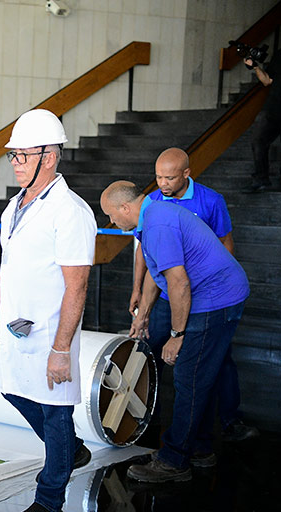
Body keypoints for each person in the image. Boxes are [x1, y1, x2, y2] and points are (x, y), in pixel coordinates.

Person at [0, 109, 96, 512]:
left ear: (49, 157)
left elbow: (77, 287)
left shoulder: (70, 211)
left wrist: (61, 349)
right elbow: (6, 267)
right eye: (12, 156)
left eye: (22, 156)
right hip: (15, 325)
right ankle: (71, 451)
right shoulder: (14, 207)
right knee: (13, 391)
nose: (14, 163)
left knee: (55, 414)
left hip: (50, 331)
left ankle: (48, 499)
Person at [101, 181, 250, 483]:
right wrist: (142, 317)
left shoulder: (157, 225)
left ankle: (173, 460)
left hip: (215, 300)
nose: (113, 223)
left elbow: (178, 282)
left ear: (125, 208)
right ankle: (200, 448)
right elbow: (157, 276)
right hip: (215, 295)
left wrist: (177, 335)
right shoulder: (153, 215)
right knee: (201, 375)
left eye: (112, 216)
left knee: (190, 377)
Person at [130, 148, 256, 443]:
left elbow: (225, 245)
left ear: (187, 174)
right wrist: (137, 290)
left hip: (202, 296)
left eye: (170, 178)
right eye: (158, 177)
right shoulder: (152, 203)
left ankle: (227, 421)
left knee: (215, 360)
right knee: (151, 350)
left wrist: (210, 290)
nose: (163, 184)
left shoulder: (210, 201)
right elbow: (146, 253)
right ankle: (148, 419)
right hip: (166, 296)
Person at [245, 49, 281, 192]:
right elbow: (267, 80)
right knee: (258, 140)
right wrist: (255, 66)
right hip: (273, 107)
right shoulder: (279, 54)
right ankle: (261, 180)